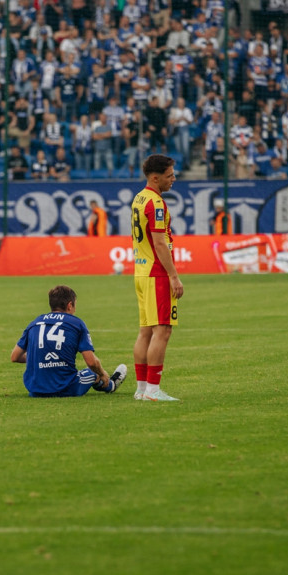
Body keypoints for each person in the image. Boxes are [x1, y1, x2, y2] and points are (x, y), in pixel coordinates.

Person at [10, 285, 127, 398]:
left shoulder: (34, 323)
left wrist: (40, 358)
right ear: (70, 305)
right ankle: (110, 385)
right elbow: (91, 362)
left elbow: (15, 357)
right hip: (66, 388)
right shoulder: (76, 323)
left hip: (36, 389)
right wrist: (102, 374)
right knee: (93, 373)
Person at [131, 154, 183, 402]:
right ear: (155, 178)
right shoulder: (156, 204)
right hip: (156, 273)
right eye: (169, 175)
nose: (174, 179)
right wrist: (174, 276)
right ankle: (153, 390)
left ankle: (141, 389)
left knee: (145, 332)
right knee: (162, 331)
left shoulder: (139, 198)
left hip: (141, 271)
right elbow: (160, 243)